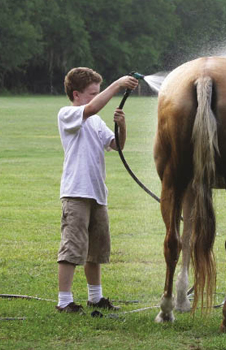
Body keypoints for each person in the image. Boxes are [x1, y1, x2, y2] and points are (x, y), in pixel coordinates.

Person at [56, 67, 138, 313]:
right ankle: (64, 301)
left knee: (96, 250)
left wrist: (122, 127)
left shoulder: (96, 120)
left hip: (97, 193)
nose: (97, 97)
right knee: (73, 248)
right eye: (92, 93)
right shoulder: (68, 114)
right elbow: (91, 108)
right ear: (76, 94)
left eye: (98, 92)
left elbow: (116, 145)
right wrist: (117, 85)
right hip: (76, 193)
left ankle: (96, 297)